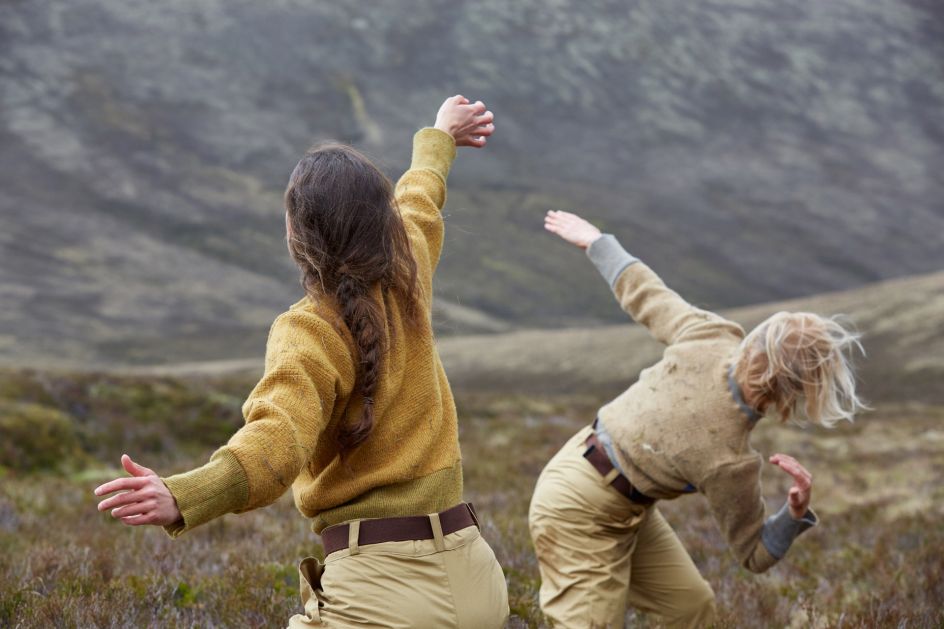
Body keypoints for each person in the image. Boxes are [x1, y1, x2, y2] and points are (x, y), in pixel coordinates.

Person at [94, 95, 509, 628]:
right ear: (381, 224)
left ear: (298, 236)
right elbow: (419, 198)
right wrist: (439, 136)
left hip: (382, 599)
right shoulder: (410, 271)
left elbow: (277, 441)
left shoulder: (309, 329)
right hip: (477, 577)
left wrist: (183, 496)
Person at [530, 210, 867, 628]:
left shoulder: (714, 336)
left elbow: (647, 293)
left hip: (622, 501)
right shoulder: (729, 459)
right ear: (794, 395)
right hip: (577, 506)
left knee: (690, 609)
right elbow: (756, 555)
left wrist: (597, 241)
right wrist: (792, 514)